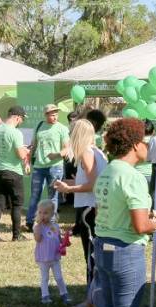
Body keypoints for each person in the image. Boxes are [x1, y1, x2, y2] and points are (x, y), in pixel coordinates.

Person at [91, 118, 156, 307]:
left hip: (102, 248)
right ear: (135, 145)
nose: (147, 146)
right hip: (126, 252)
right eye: (144, 141)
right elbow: (139, 226)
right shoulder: (133, 177)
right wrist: (155, 224)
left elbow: (111, 211)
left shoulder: (107, 171)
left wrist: (150, 217)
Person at [53, 119, 107, 286]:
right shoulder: (96, 151)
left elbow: (93, 185)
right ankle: (95, 295)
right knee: (94, 253)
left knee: (91, 254)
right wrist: (69, 183)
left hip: (89, 208)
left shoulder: (86, 153)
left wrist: (68, 189)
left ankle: (92, 297)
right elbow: (90, 181)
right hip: (94, 207)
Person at [25, 104, 70, 231]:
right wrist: (28, 162)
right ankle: (30, 222)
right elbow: (33, 145)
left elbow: (67, 148)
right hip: (39, 166)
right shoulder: (39, 126)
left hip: (55, 166)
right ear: (46, 115)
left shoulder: (62, 128)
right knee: (35, 195)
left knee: (53, 196)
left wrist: (57, 154)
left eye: (56, 113)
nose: (54, 116)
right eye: (51, 114)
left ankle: (52, 222)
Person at [0, 106, 30, 243]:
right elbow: (20, 154)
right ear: (17, 117)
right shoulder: (16, 133)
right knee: (17, 204)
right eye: (22, 119)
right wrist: (26, 151)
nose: (21, 122)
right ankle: (16, 235)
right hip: (13, 171)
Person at [33, 199, 71, 305]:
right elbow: (38, 239)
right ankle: (45, 296)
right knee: (45, 278)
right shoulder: (37, 227)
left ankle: (64, 294)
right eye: (40, 212)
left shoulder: (55, 226)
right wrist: (38, 228)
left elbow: (59, 240)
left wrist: (65, 241)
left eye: (45, 213)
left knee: (59, 277)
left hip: (54, 257)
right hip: (43, 258)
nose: (42, 215)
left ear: (52, 214)